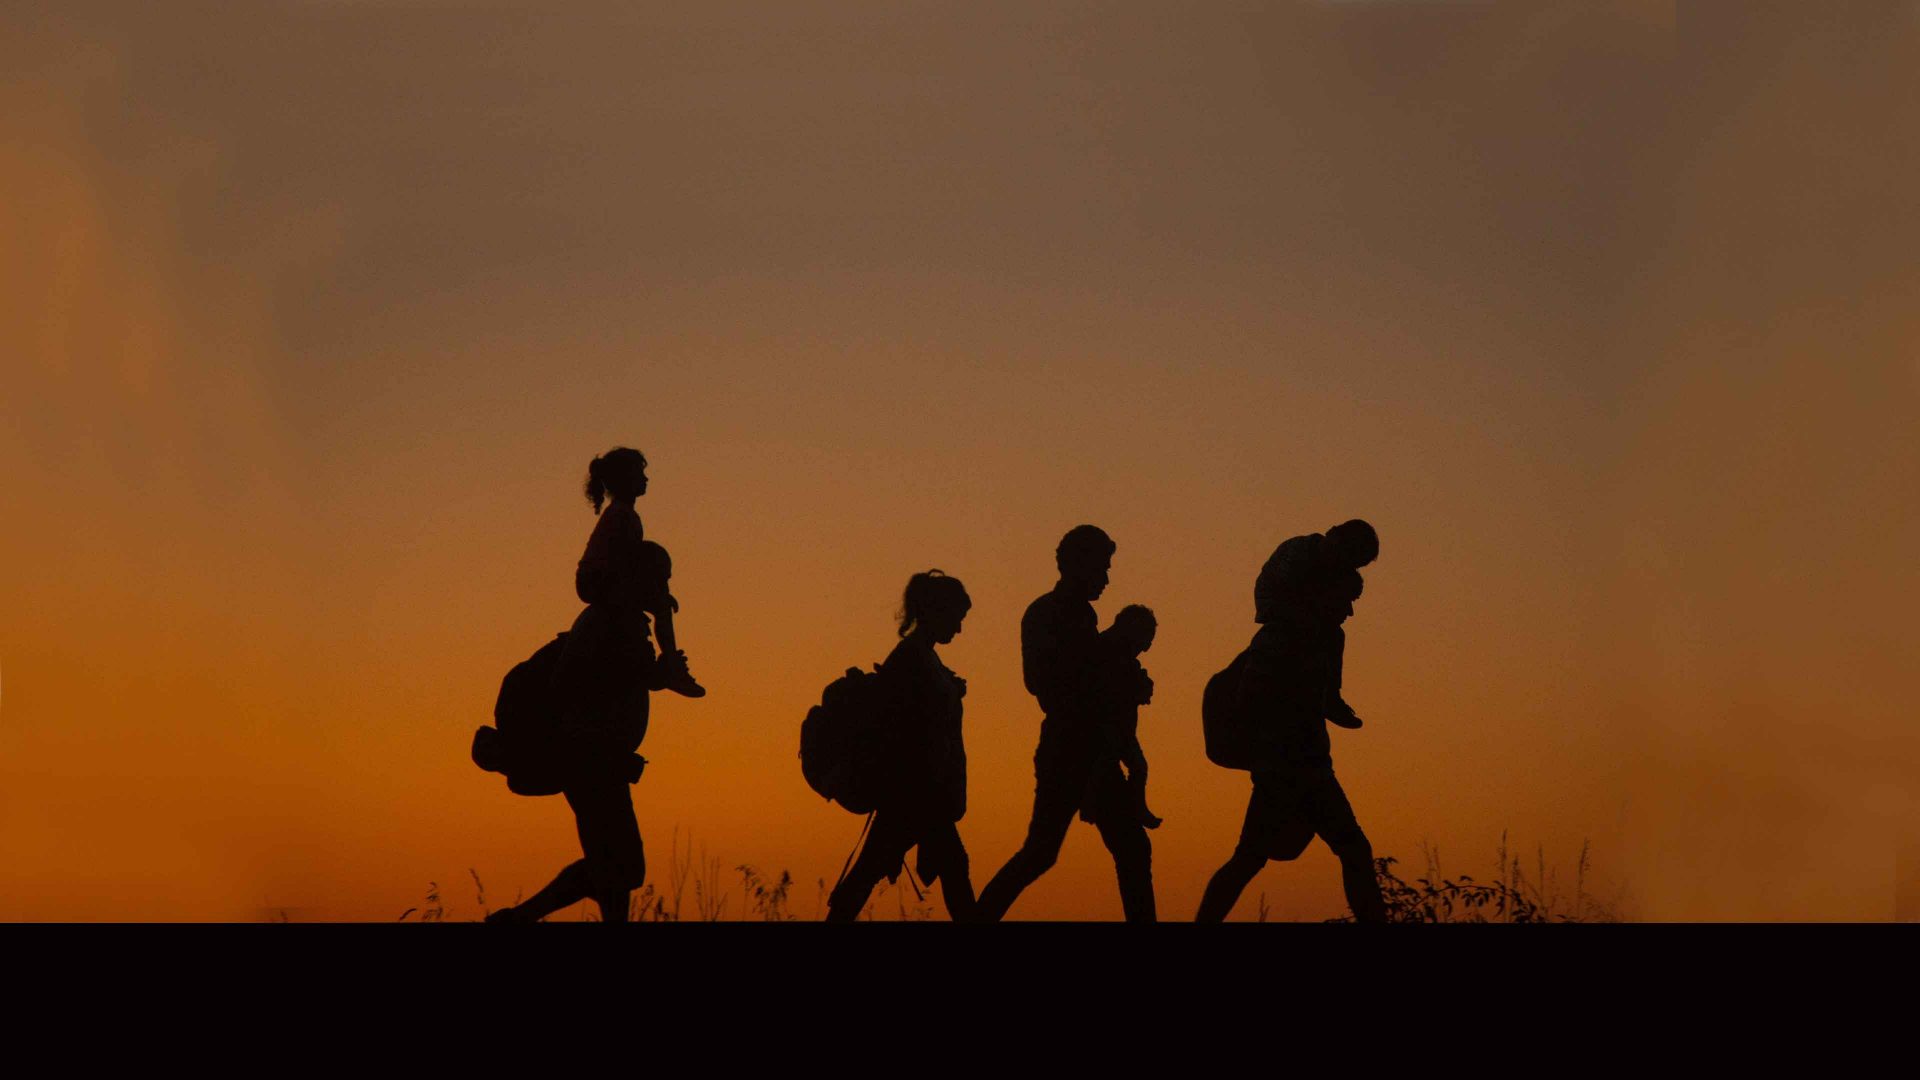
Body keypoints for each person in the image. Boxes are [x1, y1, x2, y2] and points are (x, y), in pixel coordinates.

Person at [976, 525, 1157, 922]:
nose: (1107, 579)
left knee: (1126, 848)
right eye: (1102, 568)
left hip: (1088, 748)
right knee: (1042, 853)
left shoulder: (1077, 616)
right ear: (1079, 565)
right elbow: (1046, 683)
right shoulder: (1050, 613)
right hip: (1070, 748)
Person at [1194, 567, 1386, 923]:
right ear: (1327, 594)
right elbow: (1252, 701)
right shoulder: (1280, 639)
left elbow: (1326, 701)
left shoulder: (1324, 640)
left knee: (1254, 858)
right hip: (1288, 767)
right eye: (1347, 599)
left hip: (1304, 764)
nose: (1349, 610)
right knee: (1348, 849)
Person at [825, 571, 977, 921]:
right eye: (956, 617)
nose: (958, 628)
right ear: (934, 611)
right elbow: (905, 726)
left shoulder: (922, 658)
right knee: (953, 866)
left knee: (871, 869)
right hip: (914, 793)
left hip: (917, 793)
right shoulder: (911, 659)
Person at [575, 447, 705, 698]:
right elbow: (626, 561)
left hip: (598, 580)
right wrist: (655, 594)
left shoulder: (622, 514)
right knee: (662, 608)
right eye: (640, 473)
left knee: (658, 595)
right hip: (601, 582)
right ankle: (671, 665)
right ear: (625, 478)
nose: (646, 479)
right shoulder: (624, 516)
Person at [1253, 519, 1377, 729]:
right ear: (1335, 537)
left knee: (1334, 636)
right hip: (1279, 606)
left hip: (1305, 610)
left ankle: (1330, 696)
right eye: (1350, 559)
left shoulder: (1333, 566)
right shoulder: (1299, 552)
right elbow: (1287, 588)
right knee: (1328, 636)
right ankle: (1329, 698)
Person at [1084, 604, 1162, 832]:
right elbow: (1108, 691)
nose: (1145, 648)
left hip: (1120, 731)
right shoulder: (1106, 653)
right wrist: (1136, 689)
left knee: (1138, 766)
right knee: (1119, 766)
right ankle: (1099, 803)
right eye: (1145, 640)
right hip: (1105, 732)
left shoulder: (1122, 657)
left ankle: (1133, 806)